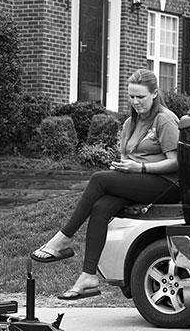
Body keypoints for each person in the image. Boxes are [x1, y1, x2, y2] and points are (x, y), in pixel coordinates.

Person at [29, 69, 180, 300]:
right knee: (101, 207)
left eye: (140, 96)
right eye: (131, 96)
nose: (135, 101)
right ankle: (88, 276)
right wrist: (123, 168)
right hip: (139, 181)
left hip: (167, 185)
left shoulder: (164, 119)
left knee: (98, 179)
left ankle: (63, 238)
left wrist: (140, 168)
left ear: (155, 94)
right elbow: (127, 157)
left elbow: (176, 162)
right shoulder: (130, 123)